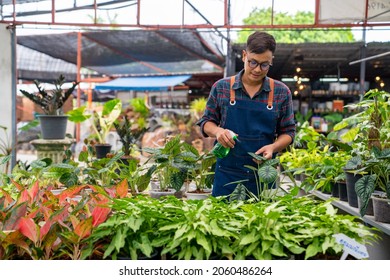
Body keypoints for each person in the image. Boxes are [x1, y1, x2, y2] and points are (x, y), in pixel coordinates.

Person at [197, 31, 296, 197]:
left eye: (264, 65)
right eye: (253, 62)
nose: (257, 69)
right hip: (227, 174)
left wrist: (273, 147)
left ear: (271, 61)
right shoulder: (221, 87)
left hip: (262, 175)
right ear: (244, 56)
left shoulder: (281, 92)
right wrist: (218, 131)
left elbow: (289, 132)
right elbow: (206, 122)